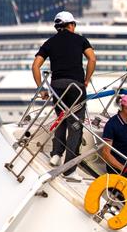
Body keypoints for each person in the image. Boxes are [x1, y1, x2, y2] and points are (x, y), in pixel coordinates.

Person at [32, 11, 96, 177]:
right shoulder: (80, 39)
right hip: (76, 86)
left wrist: (42, 89)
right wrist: (87, 80)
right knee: (75, 125)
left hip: (57, 86)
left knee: (61, 118)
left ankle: (56, 154)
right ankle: (69, 168)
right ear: (71, 25)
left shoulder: (50, 42)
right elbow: (92, 59)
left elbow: (35, 66)